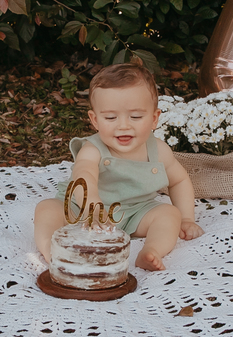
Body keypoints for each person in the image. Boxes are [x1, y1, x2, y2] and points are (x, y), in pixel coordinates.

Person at [33, 62, 203, 271]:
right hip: (82, 211)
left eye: (136, 116)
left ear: (154, 118)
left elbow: (179, 180)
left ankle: (151, 251)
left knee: (169, 215)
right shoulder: (93, 149)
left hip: (135, 213)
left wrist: (186, 218)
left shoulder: (158, 150)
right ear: (95, 120)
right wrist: (91, 208)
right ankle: (53, 253)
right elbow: (83, 175)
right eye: (111, 117)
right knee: (47, 209)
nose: (123, 125)